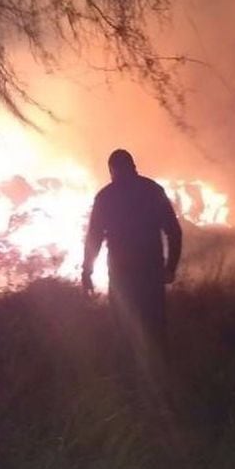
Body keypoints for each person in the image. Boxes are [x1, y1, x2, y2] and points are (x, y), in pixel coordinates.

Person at [82, 149, 182, 387]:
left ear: (112, 170)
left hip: (121, 275)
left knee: (125, 330)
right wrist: (170, 266)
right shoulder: (152, 190)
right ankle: (160, 382)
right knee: (154, 328)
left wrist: (87, 272)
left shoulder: (106, 197)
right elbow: (174, 231)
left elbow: (94, 237)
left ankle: (130, 385)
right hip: (150, 271)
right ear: (134, 166)